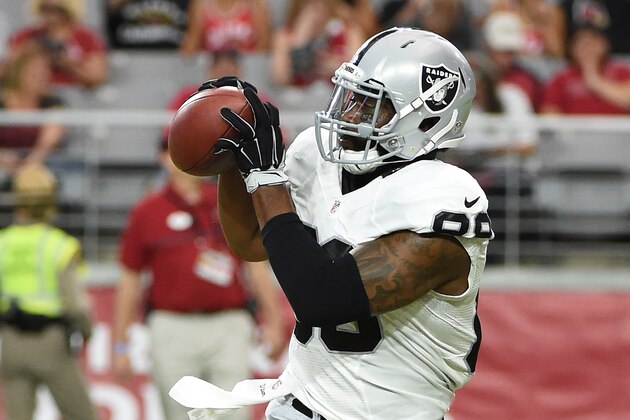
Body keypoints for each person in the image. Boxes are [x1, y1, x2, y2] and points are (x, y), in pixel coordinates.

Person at [170, 27, 494, 419]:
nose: (350, 112)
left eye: (373, 103)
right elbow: (253, 242)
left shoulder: (441, 198)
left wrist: (264, 177)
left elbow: (324, 300)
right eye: (353, 94)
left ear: (426, 119)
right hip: (297, 405)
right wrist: (238, 148)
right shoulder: (321, 156)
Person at [112, 139, 287, 420]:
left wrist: (275, 323)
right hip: (170, 327)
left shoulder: (227, 203)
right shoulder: (146, 211)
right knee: (179, 415)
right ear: (162, 158)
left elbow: (255, 266)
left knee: (234, 413)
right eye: (174, 151)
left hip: (228, 324)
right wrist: (119, 344)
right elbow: (129, 280)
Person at [0, 163, 96, 420]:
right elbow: (75, 304)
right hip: (50, 343)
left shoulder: (3, 242)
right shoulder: (60, 246)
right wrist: (87, 332)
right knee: (81, 414)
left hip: (10, 341)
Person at [0, 44, 66, 187]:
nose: (42, 76)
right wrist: (2, 157)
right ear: (19, 73)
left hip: (37, 165)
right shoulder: (2, 101)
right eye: (35, 71)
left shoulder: (52, 103)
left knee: (34, 183)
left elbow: (50, 139)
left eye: (45, 71)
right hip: (3, 165)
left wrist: (31, 163)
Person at [4, 0, 108, 88]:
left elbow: (97, 76)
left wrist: (68, 63)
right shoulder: (28, 36)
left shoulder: (86, 37)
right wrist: (30, 53)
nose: (51, 16)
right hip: (33, 97)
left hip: (75, 94)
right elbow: (6, 69)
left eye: (57, 10)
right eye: (46, 9)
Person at [269, 0, 367, 88]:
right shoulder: (284, 36)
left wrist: (335, 67)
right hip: (299, 100)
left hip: (336, 97)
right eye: (312, 4)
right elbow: (281, 79)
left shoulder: (350, 30)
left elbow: (358, 74)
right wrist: (301, 38)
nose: (317, 9)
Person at [540, 22, 630, 114]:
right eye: (581, 42)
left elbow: (627, 100)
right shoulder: (561, 77)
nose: (587, 46)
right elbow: (549, 110)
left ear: (604, 44)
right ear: (572, 48)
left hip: (618, 127)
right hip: (574, 127)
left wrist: (594, 81)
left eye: (592, 41)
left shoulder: (621, 70)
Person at [179, 0, 273, 55]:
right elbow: (190, 49)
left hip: (247, 72)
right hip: (213, 73)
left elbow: (264, 48)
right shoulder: (201, 5)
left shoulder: (255, 4)